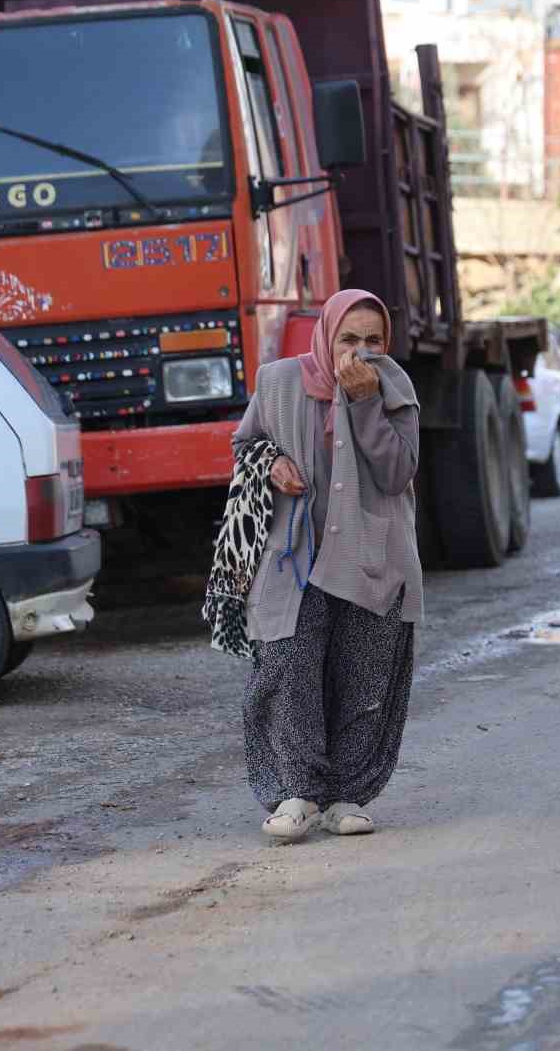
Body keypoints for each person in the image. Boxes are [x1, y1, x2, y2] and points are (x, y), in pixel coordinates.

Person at [230, 289, 423, 840]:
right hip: (292, 555)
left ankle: (345, 796)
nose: (359, 354)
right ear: (325, 335)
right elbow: (245, 446)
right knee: (287, 667)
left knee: (363, 674)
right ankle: (295, 793)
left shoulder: (395, 387)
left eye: (373, 341)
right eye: (348, 339)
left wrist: (365, 404)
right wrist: (273, 463)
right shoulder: (278, 381)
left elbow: (396, 474)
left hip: (371, 554)